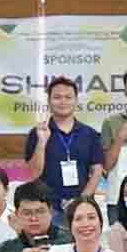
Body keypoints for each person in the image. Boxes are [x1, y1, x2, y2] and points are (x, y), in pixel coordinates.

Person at [23, 75, 107, 206]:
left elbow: (97, 170)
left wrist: (82, 200)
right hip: (47, 207)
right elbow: (33, 174)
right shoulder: (38, 132)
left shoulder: (89, 134)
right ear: (49, 101)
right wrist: (42, 142)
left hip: (82, 206)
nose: (63, 101)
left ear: (76, 101)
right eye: (57, 97)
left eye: (68, 97)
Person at [8, 181, 59, 252]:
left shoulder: (71, 241)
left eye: (40, 211)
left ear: (51, 211)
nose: (34, 218)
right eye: (27, 213)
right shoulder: (7, 248)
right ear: (17, 214)